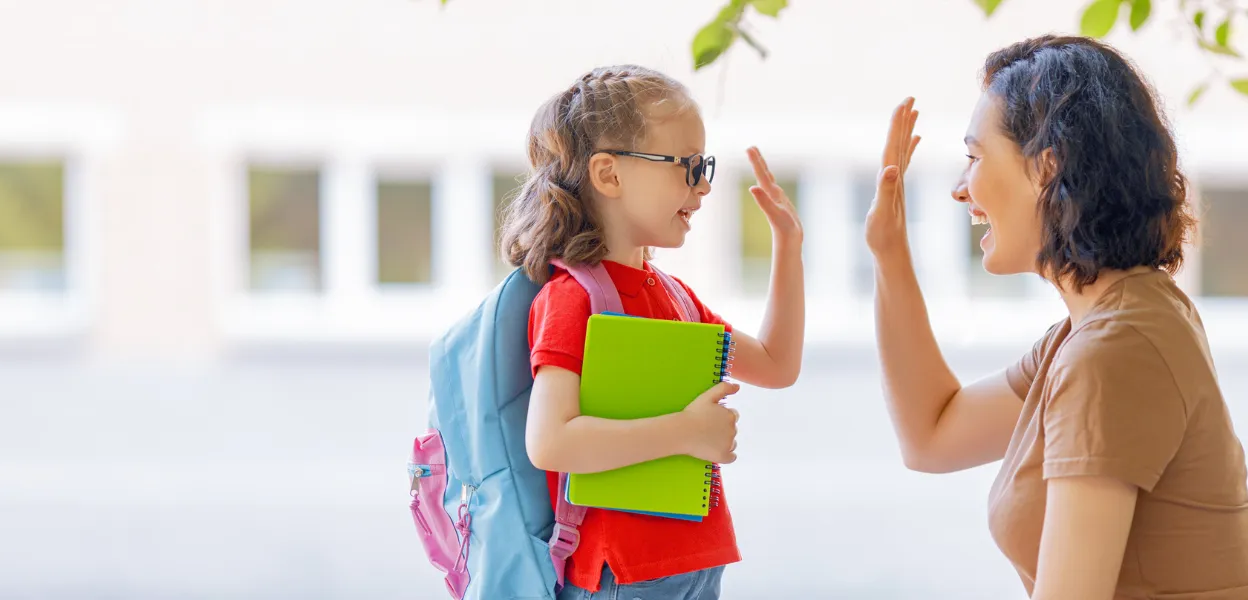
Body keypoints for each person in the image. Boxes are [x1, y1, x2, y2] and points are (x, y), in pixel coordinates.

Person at [866, 35, 1248, 599]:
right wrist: (890, 253)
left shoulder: (1116, 348)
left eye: (974, 158)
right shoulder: (1108, 325)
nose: (959, 188)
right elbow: (932, 435)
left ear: (1049, 168)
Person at [498, 64, 806, 599]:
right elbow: (550, 442)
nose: (705, 185)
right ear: (609, 175)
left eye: (704, 165)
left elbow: (777, 365)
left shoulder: (676, 296)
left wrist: (789, 248)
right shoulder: (574, 299)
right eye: (687, 166)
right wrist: (686, 433)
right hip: (625, 575)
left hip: (693, 562)